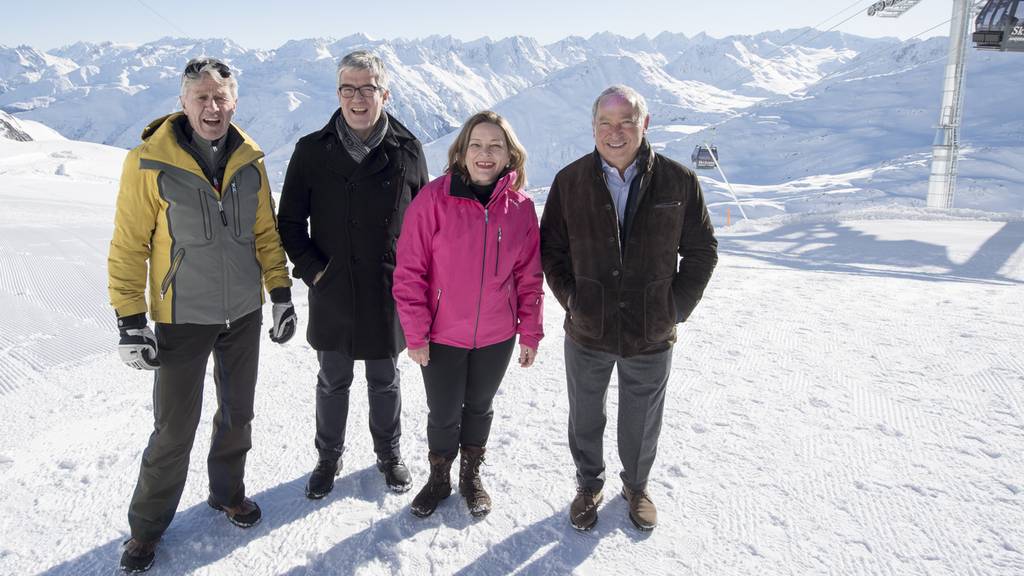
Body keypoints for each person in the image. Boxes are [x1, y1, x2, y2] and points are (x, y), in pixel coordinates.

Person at [108, 57, 296, 573]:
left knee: (237, 414)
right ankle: (146, 529)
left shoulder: (249, 159)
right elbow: (130, 245)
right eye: (201, 98)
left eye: (220, 98)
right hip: (181, 316)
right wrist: (130, 319)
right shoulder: (148, 161)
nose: (212, 107)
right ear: (183, 102)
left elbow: (265, 234)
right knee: (173, 427)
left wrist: (279, 292)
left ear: (234, 101)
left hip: (243, 314)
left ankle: (228, 494)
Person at [540, 85, 717, 532]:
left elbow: (701, 251)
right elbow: (552, 251)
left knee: (641, 416)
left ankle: (636, 487)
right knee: (585, 412)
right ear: (593, 125)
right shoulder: (570, 181)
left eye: (626, 121)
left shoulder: (678, 182)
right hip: (588, 328)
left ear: (645, 124)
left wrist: (672, 308)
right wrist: (573, 301)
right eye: (605, 122)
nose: (614, 132)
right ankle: (588, 485)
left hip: (650, 331)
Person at [277, 50, 429, 499]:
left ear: (385, 93)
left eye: (367, 89)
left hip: (387, 288)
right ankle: (328, 458)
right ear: (338, 92)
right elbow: (288, 223)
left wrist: (416, 280)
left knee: (385, 379)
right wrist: (313, 271)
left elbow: (423, 224)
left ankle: (389, 453)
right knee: (332, 379)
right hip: (333, 287)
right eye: (349, 88)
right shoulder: (310, 150)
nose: (357, 99)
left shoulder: (408, 149)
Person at [393, 111, 544, 518]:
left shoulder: (521, 209)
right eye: (476, 144)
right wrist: (416, 334)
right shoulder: (433, 200)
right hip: (442, 333)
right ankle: (439, 478)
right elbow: (409, 272)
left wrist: (530, 332)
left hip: (497, 334)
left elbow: (529, 276)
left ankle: (470, 476)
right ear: (461, 151)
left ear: (509, 154)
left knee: (479, 407)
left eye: (495, 146)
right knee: (443, 412)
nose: (485, 153)